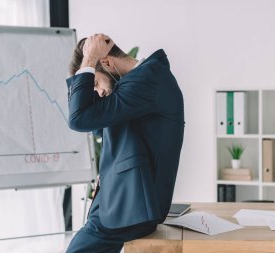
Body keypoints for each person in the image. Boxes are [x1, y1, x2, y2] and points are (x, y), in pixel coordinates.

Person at [65, 34, 185, 253]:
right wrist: (87, 66)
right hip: (120, 201)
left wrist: (89, 59)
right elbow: (96, 125)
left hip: (132, 207)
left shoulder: (147, 80)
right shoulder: (135, 85)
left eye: (95, 83)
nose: (98, 92)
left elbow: (78, 118)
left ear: (108, 62)